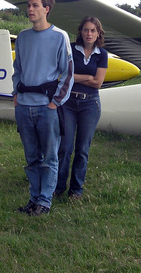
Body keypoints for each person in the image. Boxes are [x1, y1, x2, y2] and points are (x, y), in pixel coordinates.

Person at [12, 0, 74, 216]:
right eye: (28, 5)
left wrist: (55, 102)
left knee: (49, 157)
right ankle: (33, 199)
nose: (30, 9)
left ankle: (44, 202)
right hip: (24, 106)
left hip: (46, 107)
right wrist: (16, 96)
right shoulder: (23, 37)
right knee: (31, 158)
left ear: (46, 9)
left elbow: (68, 73)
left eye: (35, 5)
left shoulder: (60, 36)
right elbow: (17, 70)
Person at [56, 16, 108, 200]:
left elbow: (98, 83)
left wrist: (75, 77)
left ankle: (76, 190)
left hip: (90, 104)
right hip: (69, 103)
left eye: (93, 30)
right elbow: (62, 74)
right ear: (80, 32)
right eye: (86, 30)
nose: (89, 33)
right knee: (65, 146)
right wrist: (88, 77)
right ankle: (58, 186)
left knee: (82, 148)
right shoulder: (70, 48)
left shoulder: (102, 54)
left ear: (98, 33)